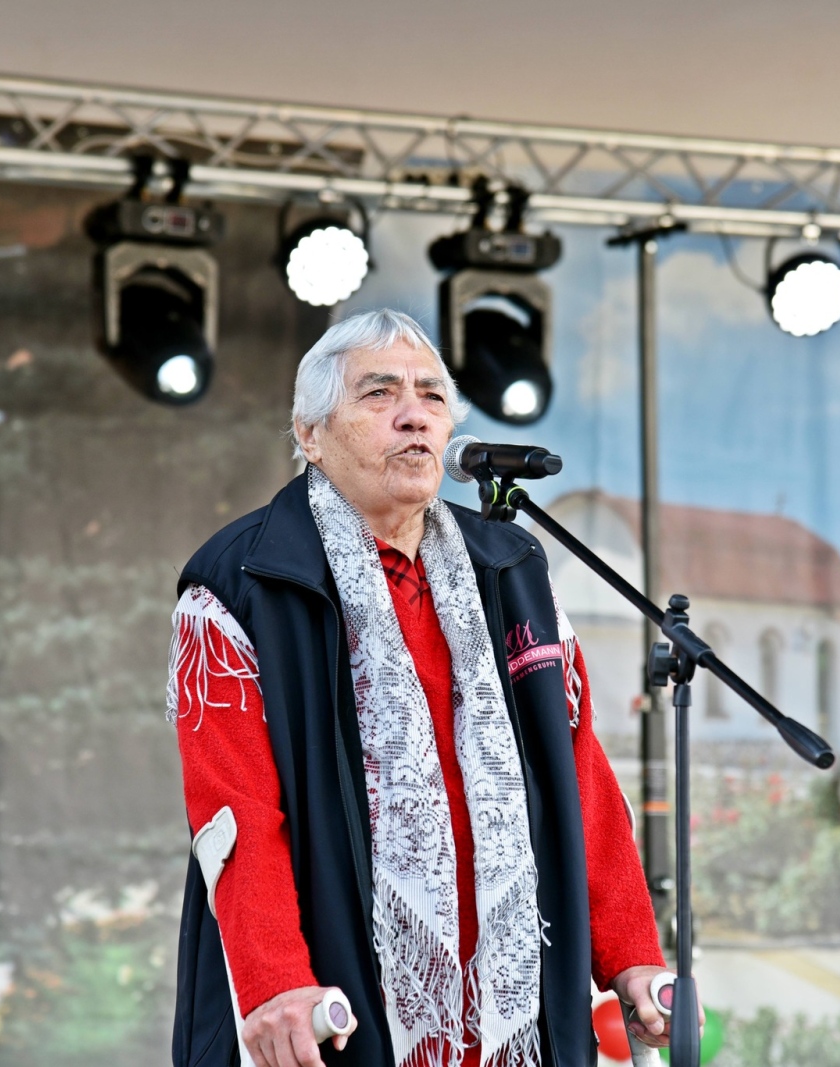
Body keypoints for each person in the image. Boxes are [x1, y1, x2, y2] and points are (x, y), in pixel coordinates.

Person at [169, 309, 681, 1067]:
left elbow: (576, 771)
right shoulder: (242, 581)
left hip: (515, 1015)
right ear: (310, 435)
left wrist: (632, 951)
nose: (414, 415)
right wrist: (278, 981)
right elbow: (235, 809)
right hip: (335, 1007)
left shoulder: (511, 568)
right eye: (379, 394)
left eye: (433, 396)